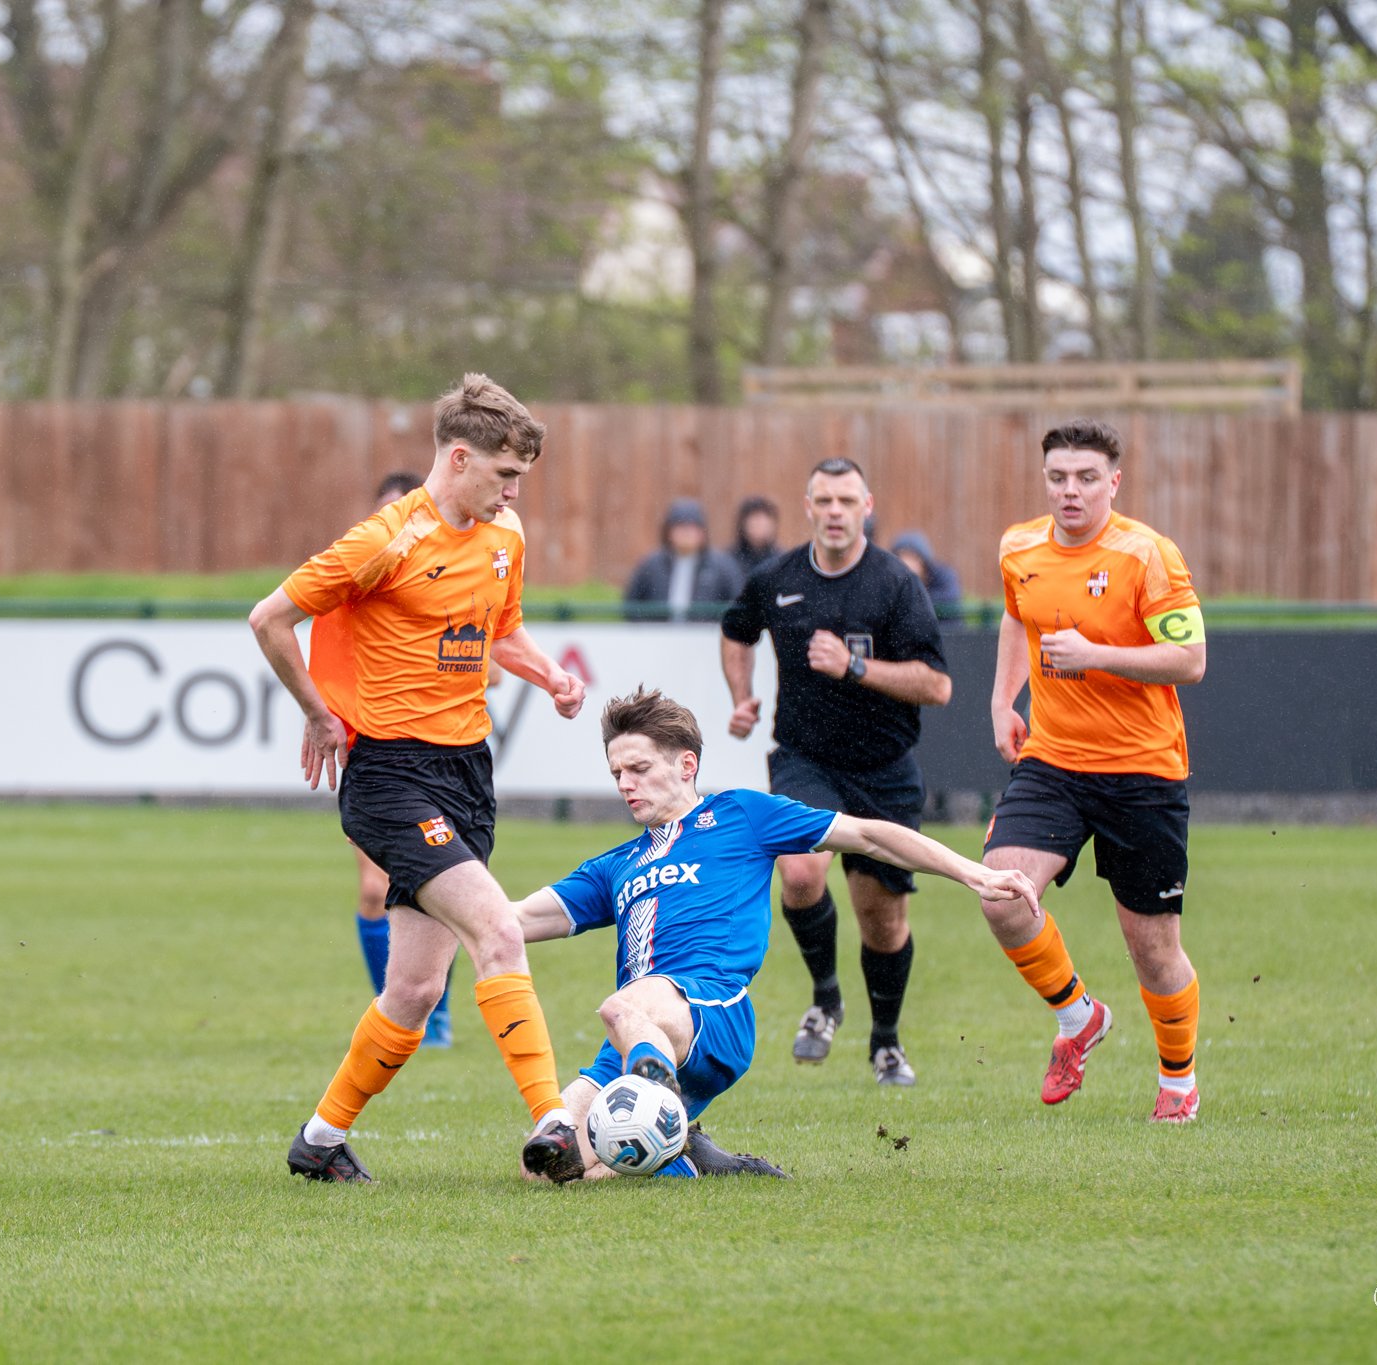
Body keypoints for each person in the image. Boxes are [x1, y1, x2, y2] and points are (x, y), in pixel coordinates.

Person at [249, 373, 589, 1183]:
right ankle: (554, 1123)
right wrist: (318, 713)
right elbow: (270, 618)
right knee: (499, 932)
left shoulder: (504, 536)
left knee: (413, 988)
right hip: (390, 774)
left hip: (467, 771)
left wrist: (548, 675)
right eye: (505, 474)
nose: (514, 493)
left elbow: (499, 632)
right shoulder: (384, 540)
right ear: (460, 457)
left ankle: (319, 1142)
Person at [510, 687, 1039, 1182]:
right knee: (544, 1165)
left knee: (620, 1005)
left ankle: (656, 1092)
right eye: (617, 773)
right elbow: (512, 921)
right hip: (639, 1034)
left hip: (711, 1010)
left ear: (686, 765)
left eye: (639, 768)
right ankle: (686, 1156)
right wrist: (458, 897)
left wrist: (975, 874)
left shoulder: (740, 814)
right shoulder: (614, 866)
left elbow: (868, 836)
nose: (625, 783)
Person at [980, 418, 1208, 1123]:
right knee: (1001, 894)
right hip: (1053, 761)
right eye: (1057, 477)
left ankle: (1178, 1081)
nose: (1070, 491)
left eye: (1085, 478)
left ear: (1114, 481)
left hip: (1143, 772)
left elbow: (1191, 659)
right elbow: (1018, 616)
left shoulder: (1149, 556)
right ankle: (1079, 1016)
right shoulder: (1019, 546)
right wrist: (1003, 699)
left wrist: (1097, 654)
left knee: (1153, 949)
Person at [720, 457, 953, 1086]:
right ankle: (825, 1000)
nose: (834, 512)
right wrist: (741, 696)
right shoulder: (777, 577)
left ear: (866, 507)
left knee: (881, 919)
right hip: (805, 760)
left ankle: (886, 1041)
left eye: (847, 501)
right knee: (799, 871)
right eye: (823, 500)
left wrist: (855, 667)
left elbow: (936, 685)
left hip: (884, 771)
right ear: (808, 507)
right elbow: (737, 630)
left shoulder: (895, 584)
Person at [324, 470, 454, 1049]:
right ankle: (398, 1012)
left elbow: (488, 661)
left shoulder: (448, 577)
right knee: (375, 889)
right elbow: (330, 657)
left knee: (440, 888)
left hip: (440, 757)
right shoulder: (359, 581)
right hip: (372, 755)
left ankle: (435, 1012)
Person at [622, 499, 746, 621]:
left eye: (692, 528)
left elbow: (736, 605)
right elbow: (632, 606)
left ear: (703, 532)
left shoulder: (722, 567)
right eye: (681, 527)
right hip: (658, 632)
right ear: (668, 532)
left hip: (707, 633)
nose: (686, 534)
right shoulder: (651, 566)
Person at [890, 531, 965, 621]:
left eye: (913, 557)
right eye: (902, 557)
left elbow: (949, 599)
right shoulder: (893, 579)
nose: (908, 563)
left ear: (923, 561)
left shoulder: (944, 575)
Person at [729, 495, 781, 581]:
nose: (761, 525)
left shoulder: (782, 560)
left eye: (765, 521)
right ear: (743, 524)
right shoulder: (729, 560)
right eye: (756, 520)